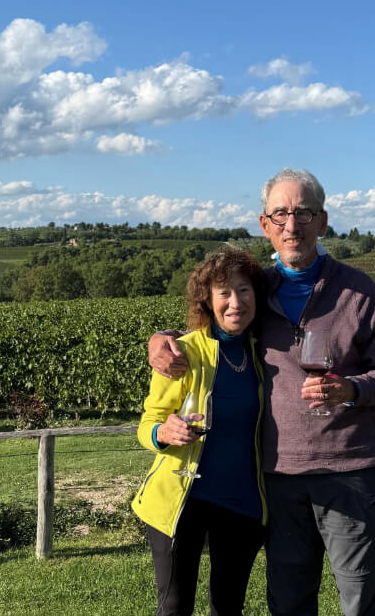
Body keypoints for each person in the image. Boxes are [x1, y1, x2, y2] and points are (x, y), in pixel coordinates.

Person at [149, 168, 375, 616]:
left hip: (352, 474)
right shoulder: (259, 288)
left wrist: (350, 388)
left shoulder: (357, 290)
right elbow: (213, 325)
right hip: (280, 479)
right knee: (288, 604)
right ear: (265, 223)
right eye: (281, 213)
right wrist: (162, 338)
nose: (293, 225)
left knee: (363, 600)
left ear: (322, 222)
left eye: (305, 213)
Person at [132, 248, 269, 616]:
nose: (235, 302)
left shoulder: (267, 354)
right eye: (224, 292)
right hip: (181, 499)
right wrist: (164, 431)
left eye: (243, 290)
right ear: (207, 301)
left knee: (228, 608)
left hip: (242, 502)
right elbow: (147, 424)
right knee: (175, 607)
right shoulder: (182, 352)